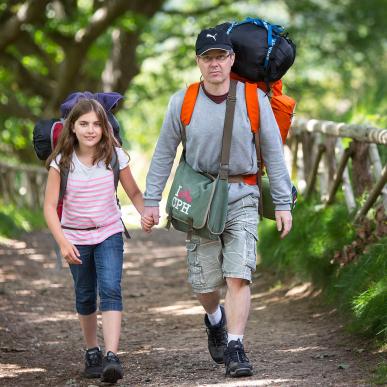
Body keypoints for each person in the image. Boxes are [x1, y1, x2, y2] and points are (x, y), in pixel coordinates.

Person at [142, 27, 293, 378]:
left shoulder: (253, 99)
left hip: (244, 193)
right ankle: (215, 319)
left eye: (221, 57)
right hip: (200, 199)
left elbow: (274, 151)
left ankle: (236, 346)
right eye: (207, 58)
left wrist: (283, 203)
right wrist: (151, 200)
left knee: (239, 273)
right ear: (198, 61)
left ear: (232, 59)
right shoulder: (184, 101)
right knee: (205, 284)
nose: (215, 64)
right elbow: (164, 154)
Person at [44, 97, 152, 383]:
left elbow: (135, 193)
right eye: (83, 124)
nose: (91, 130)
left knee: (110, 288)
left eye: (96, 124)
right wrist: (63, 243)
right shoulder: (61, 162)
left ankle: (111, 355)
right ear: (73, 128)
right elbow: (49, 207)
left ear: (105, 128)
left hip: (109, 232)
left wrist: (145, 214)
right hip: (74, 236)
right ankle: (92, 350)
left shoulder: (115, 157)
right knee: (85, 294)